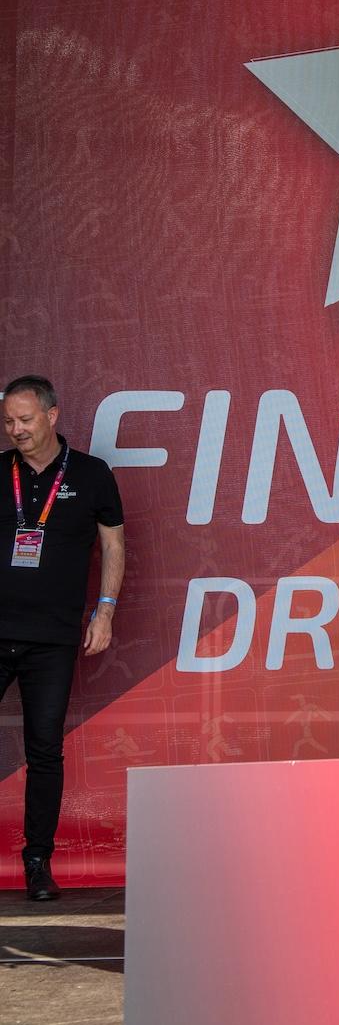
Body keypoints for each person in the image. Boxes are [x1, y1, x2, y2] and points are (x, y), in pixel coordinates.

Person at [0, 376, 125, 900]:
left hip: (52, 638)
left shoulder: (92, 475)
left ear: (51, 415)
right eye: (9, 421)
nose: (16, 429)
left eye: (25, 419)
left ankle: (37, 862)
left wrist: (105, 611)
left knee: (45, 751)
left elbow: (113, 546)